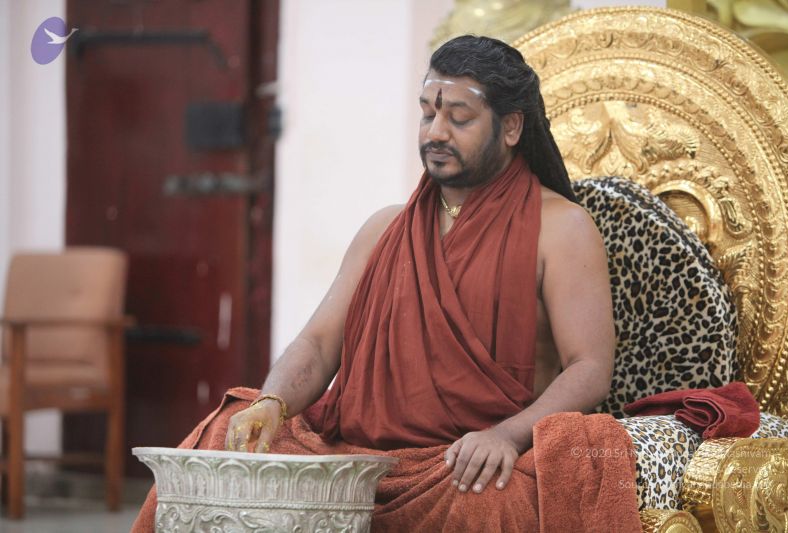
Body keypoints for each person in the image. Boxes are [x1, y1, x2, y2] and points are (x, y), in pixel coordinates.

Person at [134, 35, 638, 533]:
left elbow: (589, 366)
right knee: (223, 435)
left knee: (488, 503)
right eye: (427, 114)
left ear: (510, 127)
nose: (436, 132)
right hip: (355, 460)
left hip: (460, 464)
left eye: (459, 118)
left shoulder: (561, 228)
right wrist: (273, 402)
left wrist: (505, 436)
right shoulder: (385, 227)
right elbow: (319, 343)